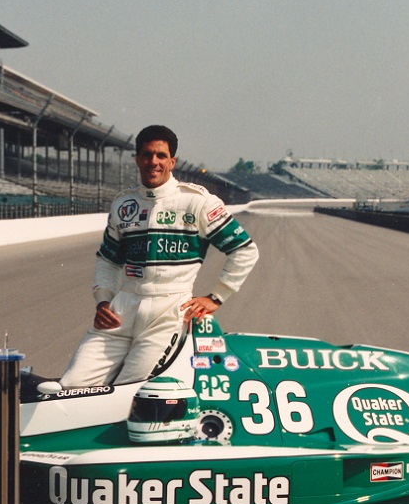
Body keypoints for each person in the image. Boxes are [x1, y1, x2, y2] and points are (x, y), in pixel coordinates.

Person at [58, 124, 259, 388]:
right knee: (72, 386)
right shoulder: (123, 204)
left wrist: (216, 297)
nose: (153, 162)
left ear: (172, 161)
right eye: (147, 155)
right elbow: (108, 260)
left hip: (168, 312)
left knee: (129, 393)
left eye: (161, 156)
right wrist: (102, 301)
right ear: (138, 159)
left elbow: (245, 250)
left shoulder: (197, 202)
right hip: (122, 308)